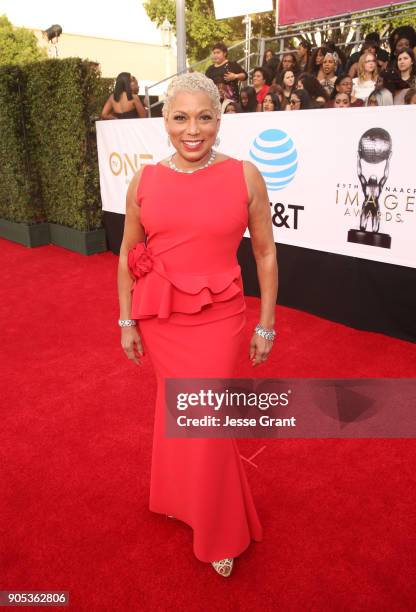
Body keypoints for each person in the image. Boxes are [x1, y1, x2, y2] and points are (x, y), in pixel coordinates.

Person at [117, 72, 277, 578]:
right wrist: (126, 319)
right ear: (164, 120)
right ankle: (179, 498)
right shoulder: (144, 180)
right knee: (178, 410)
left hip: (220, 318)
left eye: (204, 117)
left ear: (219, 119)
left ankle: (221, 531)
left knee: (205, 420)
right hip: (161, 320)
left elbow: (266, 254)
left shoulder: (245, 176)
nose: (193, 130)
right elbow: (128, 252)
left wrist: (267, 324)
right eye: (181, 117)